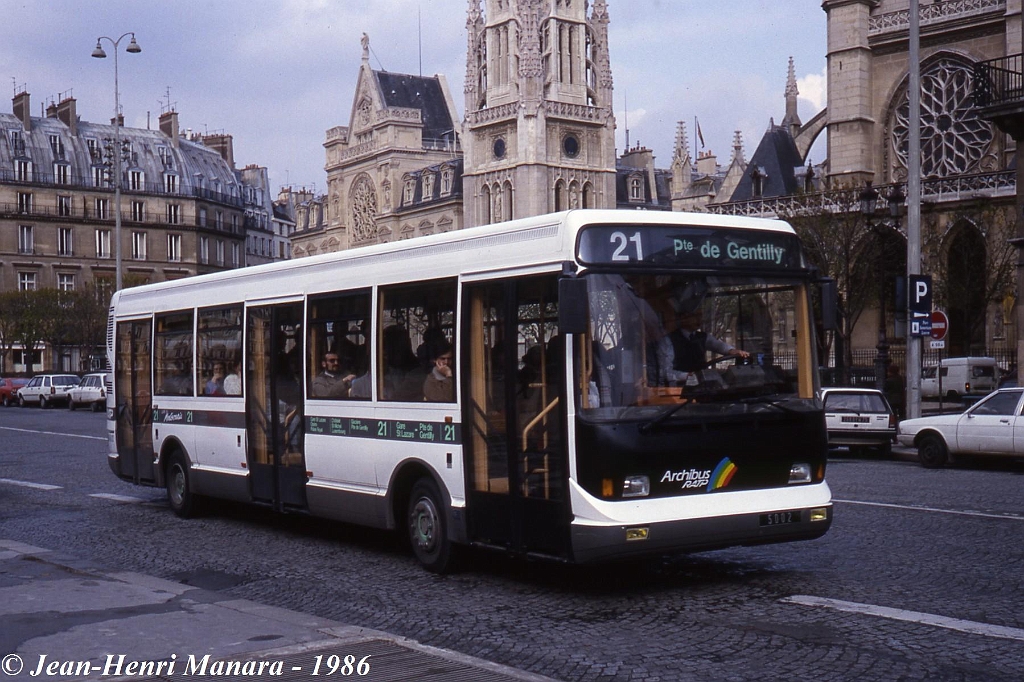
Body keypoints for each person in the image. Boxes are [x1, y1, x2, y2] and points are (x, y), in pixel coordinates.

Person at [654, 281, 749, 385]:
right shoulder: (668, 341)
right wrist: (687, 376)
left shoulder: (703, 337)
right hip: (678, 391)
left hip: (703, 389)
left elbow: (718, 345)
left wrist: (733, 351)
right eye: (695, 316)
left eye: (700, 316)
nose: (699, 319)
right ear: (683, 317)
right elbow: (665, 373)